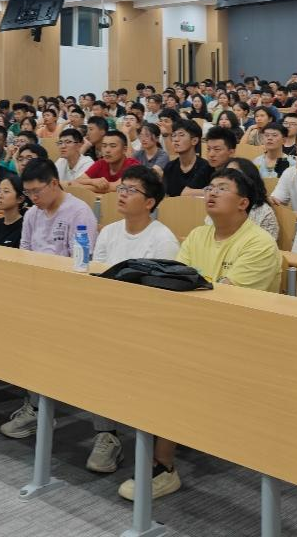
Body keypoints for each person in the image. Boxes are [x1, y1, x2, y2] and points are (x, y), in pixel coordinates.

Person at [122, 168, 280, 502]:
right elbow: (174, 283)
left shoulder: (260, 244)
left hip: (242, 340)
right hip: (196, 328)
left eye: (221, 188)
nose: (211, 193)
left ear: (243, 202)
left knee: (171, 367)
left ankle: (162, 466)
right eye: (209, 187)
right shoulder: (197, 235)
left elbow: (225, 301)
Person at [85, 166, 179, 474]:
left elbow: (161, 300)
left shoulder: (163, 240)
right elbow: (97, 279)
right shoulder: (109, 232)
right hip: (108, 319)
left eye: (131, 190)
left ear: (150, 202)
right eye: (121, 188)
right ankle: (106, 435)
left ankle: (148, 439)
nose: (122, 194)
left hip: (145, 325)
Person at [0, 159, 98, 439]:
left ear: (54, 183)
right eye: (28, 193)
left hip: (66, 296)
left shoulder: (79, 212)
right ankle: (32, 403)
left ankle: (37, 408)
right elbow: (24, 253)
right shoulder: (33, 214)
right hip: (34, 291)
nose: (32, 198)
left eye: (37, 191)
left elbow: (81, 263)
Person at [162, 119, 213, 197]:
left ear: (194, 141)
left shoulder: (206, 167)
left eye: (181, 135)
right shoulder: (169, 167)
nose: (176, 139)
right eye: (174, 135)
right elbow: (166, 196)